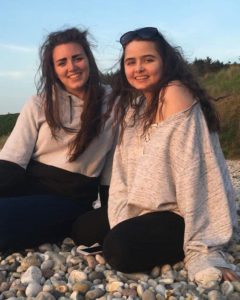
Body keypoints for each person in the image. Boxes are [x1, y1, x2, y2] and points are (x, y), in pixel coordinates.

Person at [72, 27, 239, 286]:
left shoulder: (175, 94)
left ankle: (170, 242)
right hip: (144, 209)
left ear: (165, 62)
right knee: (82, 228)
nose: (139, 68)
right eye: (131, 62)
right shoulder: (135, 109)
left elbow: (193, 173)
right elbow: (124, 175)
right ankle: (134, 233)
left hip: (180, 213)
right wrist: (123, 213)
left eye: (148, 60)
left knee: (120, 249)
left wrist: (202, 247)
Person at [0, 27, 117, 252]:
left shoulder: (113, 105)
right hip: (27, 184)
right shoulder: (39, 103)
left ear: (88, 61)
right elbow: (12, 161)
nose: (71, 67)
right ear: (53, 69)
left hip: (70, 197)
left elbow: (112, 163)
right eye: (62, 62)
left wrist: (109, 207)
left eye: (77, 58)